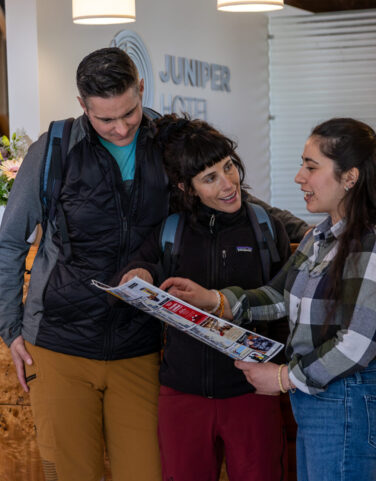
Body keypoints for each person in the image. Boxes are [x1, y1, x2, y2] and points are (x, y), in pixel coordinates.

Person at [0, 47, 307, 481]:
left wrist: (306, 229)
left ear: (141, 90)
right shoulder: (55, 149)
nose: (120, 128)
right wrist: (10, 327)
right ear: (82, 105)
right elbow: (8, 245)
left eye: (130, 113)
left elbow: (224, 192)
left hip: (140, 347)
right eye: (105, 119)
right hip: (59, 342)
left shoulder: (167, 142)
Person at [161, 117, 376, 481]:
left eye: (311, 166)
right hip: (318, 401)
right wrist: (214, 300)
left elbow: (357, 345)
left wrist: (284, 378)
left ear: (349, 177)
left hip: (347, 402)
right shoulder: (318, 238)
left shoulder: (375, 243)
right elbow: (279, 296)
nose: (299, 177)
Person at [116, 115, 292, 481]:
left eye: (229, 167)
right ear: (187, 187)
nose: (228, 184)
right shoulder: (171, 230)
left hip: (252, 394)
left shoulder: (265, 227)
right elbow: (141, 262)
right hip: (182, 395)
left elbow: (285, 303)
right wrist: (141, 273)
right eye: (210, 178)